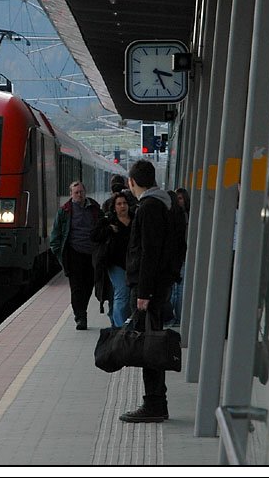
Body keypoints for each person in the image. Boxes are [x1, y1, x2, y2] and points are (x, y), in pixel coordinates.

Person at [120, 159, 177, 423]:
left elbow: (149, 254)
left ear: (132, 182)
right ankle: (155, 402)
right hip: (156, 287)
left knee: (149, 346)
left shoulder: (149, 207)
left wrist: (144, 292)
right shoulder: (164, 203)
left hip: (147, 291)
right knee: (149, 343)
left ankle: (154, 404)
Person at [50, 181, 103, 331]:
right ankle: (80, 317)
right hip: (74, 254)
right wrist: (62, 257)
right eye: (76, 192)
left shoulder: (94, 208)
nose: (79, 195)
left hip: (91, 254)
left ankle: (82, 310)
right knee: (76, 288)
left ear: (85, 192)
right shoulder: (64, 211)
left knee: (88, 286)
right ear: (71, 194)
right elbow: (55, 238)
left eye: (81, 192)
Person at [91, 193, 133, 327]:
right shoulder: (108, 221)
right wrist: (108, 229)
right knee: (122, 293)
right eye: (119, 204)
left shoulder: (135, 220)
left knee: (125, 296)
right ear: (114, 207)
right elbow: (94, 236)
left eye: (124, 203)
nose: (122, 206)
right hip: (115, 264)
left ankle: (117, 324)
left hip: (132, 264)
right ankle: (120, 328)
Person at [167, 187, 190, 327]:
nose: (178, 201)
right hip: (179, 255)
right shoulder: (182, 215)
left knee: (178, 289)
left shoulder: (182, 216)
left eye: (180, 198)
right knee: (177, 289)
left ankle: (178, 317)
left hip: (181, 256)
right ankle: (178, 317)